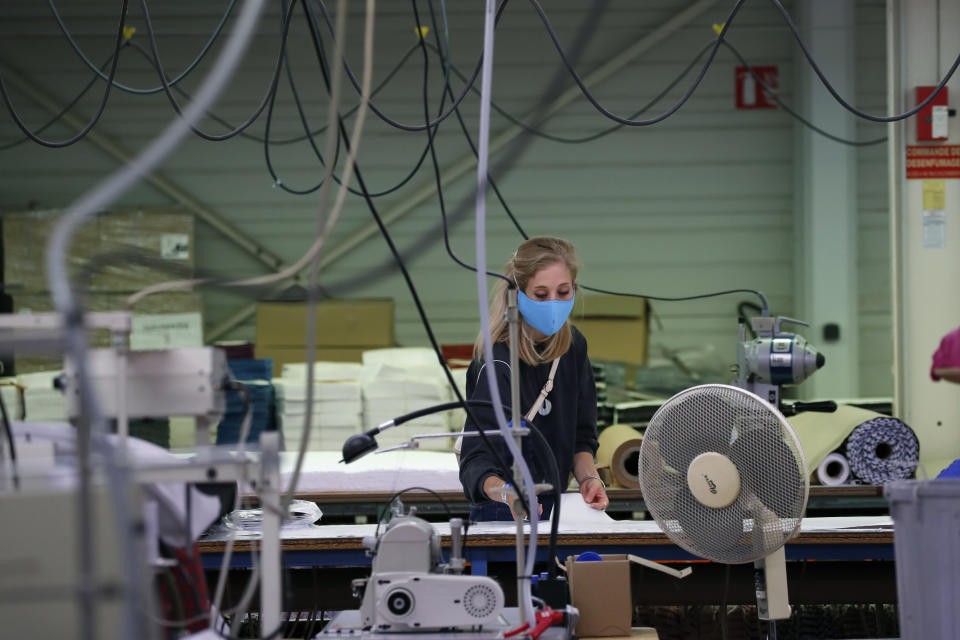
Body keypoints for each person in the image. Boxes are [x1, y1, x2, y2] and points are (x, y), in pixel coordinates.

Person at [458, 236, 608, 521]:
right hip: (502, 513)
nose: (554, 303)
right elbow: (476, 462)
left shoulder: (574, 347)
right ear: (518, 294)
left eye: (563, 292)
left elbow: (582, 438)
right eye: (541, 295)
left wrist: (590, 480)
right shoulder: (497, 361)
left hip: (557, 510)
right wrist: (508, 493)